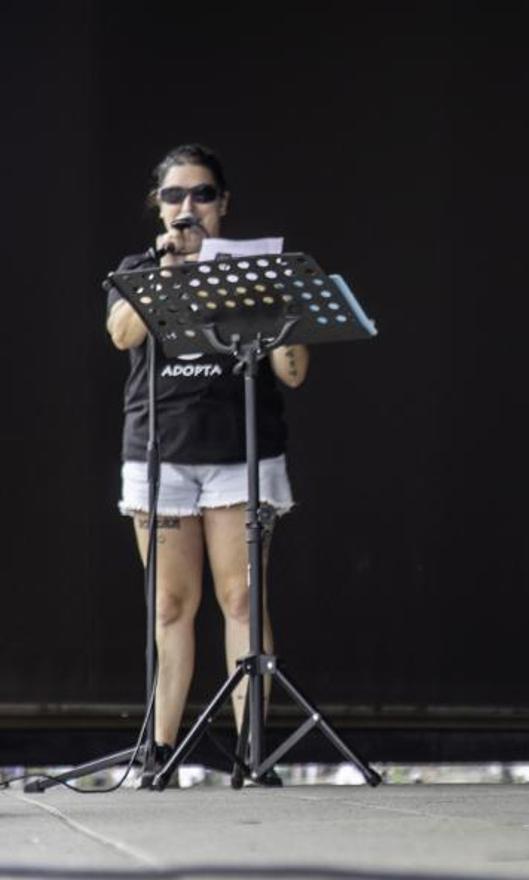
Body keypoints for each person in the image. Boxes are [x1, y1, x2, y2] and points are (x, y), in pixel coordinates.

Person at [105, 144, 309, 784]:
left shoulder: (256, 271)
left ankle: (253, 753)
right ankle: (160, 751)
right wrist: (166, 271)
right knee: (170, 604)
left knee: (242, 596)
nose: (186, 208)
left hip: (239, 455)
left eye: (200, 195)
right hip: (161, 454)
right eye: (174, 196)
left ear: (223, 204)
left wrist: (283, 313)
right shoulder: (139, 268)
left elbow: (293, 374)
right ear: (157, 206)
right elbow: (122, 335)